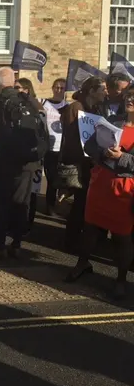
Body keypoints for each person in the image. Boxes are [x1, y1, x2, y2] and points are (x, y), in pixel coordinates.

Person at [65, 89, 134, 298]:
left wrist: (122, 157)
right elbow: (89, 145)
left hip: (124, 188)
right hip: (100, 183)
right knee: (90, 228)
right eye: (129, 95)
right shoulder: (113, 120)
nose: (130, 99)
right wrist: (103, 152)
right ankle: (82, 263)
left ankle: (121, 279)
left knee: (122, 237)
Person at [0, 67, 44, 259]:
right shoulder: (29, 100)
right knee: (21, 203)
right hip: (27, 162)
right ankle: (17, 244)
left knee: (0, 203)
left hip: (2, 161)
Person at [59, 76, 108, 251]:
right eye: (102, 89)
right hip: (80, 163)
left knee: (86, 203)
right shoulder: (75, 108)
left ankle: (81, 239)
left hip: (91, 163)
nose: (105, 92)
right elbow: (72, 138)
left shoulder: (96, 109)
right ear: (92, 91)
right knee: (80, 203)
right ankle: (71, 242)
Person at [14, 77, 43, 234]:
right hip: (20, 156)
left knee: (30, 192)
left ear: (26, 89)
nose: (15, 90)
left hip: (32, 156)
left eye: (18, 87)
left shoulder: (35, 106)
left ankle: (26, 224)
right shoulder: (16, 105)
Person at [40, 78, 67, 216]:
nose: (58, 90)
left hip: (60, 147)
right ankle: (49, 207)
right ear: (52, 88)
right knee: (50, 178)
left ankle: (54, 205)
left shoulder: (67, 106)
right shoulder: (44, 103)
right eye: (56, 87)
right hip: (47, 147)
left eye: (62, 88)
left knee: (58, 179)